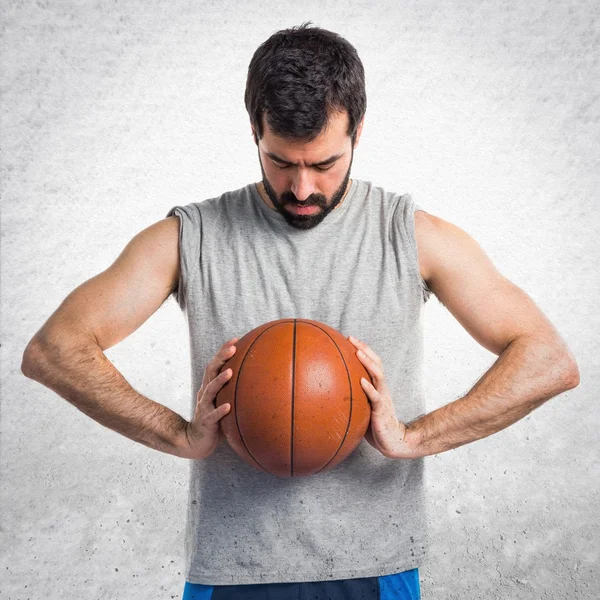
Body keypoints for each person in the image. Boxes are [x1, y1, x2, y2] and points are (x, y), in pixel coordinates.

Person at [21, 22, 579, 600]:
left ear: (359, 131)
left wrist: (414, 436)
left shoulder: (412, 236)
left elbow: (547, 360)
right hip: (233, 567)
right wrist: (177, 433)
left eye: (326, 162)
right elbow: (54, 350)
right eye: (281, 161)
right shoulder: (190, 237)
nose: (304, 186)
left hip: (375, 562)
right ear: (255, 132)